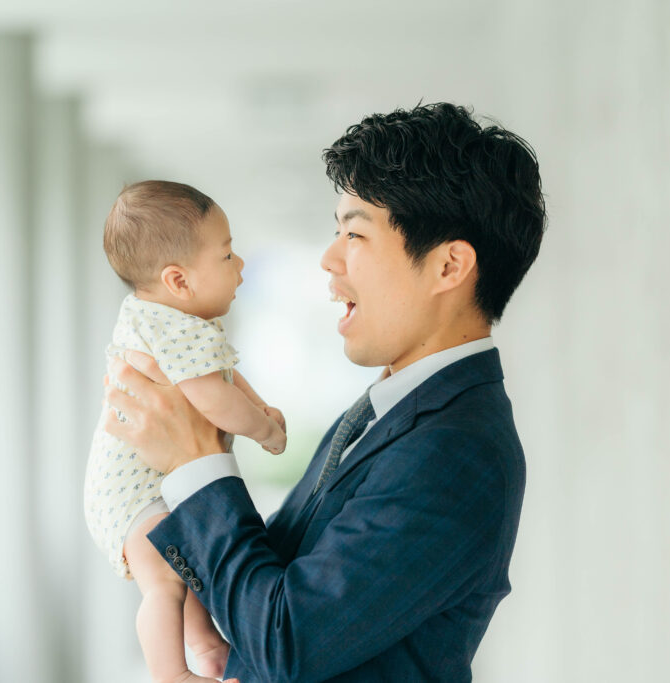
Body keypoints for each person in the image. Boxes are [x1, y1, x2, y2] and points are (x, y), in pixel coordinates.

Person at [104, 103, 546, 682]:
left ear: (448, 266)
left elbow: (287, 641)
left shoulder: (455, 448)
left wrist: (197, 463)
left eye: (355, 233)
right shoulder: (386, 411)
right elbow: (266, 584)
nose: (329, 257)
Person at [83, 180, 287, 683]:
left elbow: (223, 373)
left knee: (185, 564)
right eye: (227, 255)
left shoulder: (176, 323)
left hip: (137, 486)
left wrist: (259, 403)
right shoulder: (171, 328)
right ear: (178, 280)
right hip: (131, 493)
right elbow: (215, 398)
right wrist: (264, 428)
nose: (240, 266)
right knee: (165, 583)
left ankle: (206, 646)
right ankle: (171, 674)